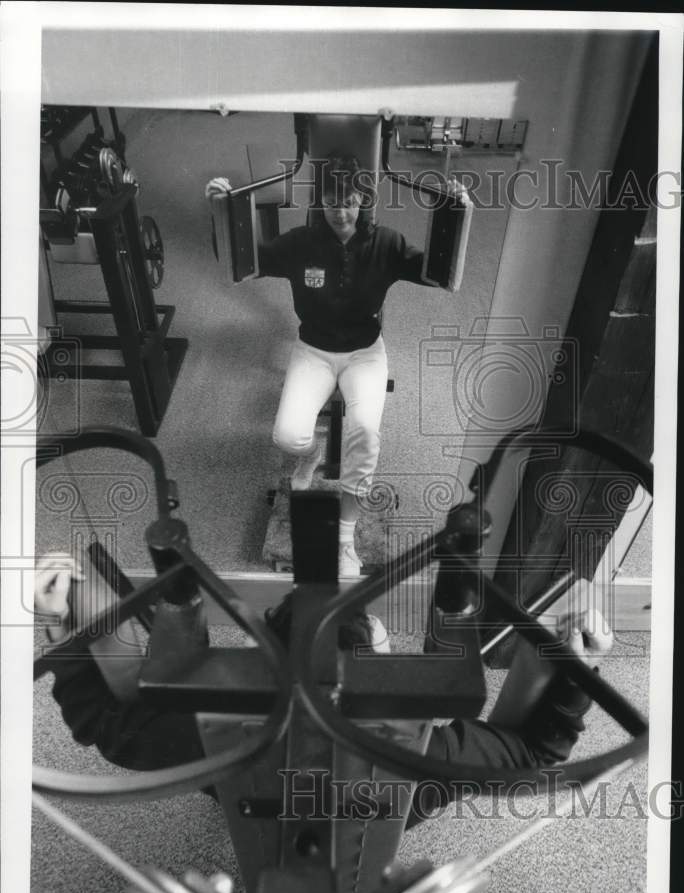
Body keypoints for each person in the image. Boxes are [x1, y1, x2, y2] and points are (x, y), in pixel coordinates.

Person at [35, 553, 612, 817]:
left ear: (264, 657)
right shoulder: (435, 755)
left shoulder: (206, 734)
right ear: (383, 655)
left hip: (246, 786)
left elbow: (105, 727)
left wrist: (64, 631)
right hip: (394, 799)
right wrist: (576, 673)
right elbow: (540, 754)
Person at [206, 154, 460, 576]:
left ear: (363, 199)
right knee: (288, 436)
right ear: (320, 200)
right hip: (314, 351)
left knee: (366, 436)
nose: (340, 211)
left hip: (365, 353)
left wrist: (455, 211)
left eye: (349, 200)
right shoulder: (300, 243)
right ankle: (310, 459)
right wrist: (218, 208)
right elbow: (243, 260)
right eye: (331, 200)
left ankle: (345, 541)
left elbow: (439, 273)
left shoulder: (386, 243)